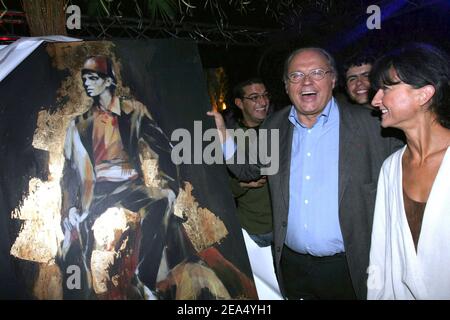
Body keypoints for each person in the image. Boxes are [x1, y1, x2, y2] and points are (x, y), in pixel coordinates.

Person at [209, 47, 403, 300]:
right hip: (292, 266)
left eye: (317, 73)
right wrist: (222, 133)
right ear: (287, 86)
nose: (307, 82)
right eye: (296, 75)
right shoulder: (274, 125)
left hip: (350, 268)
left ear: (333, 80)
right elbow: (247, 169)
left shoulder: (373, 126)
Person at [60, 55, 257, 300]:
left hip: (130, 186)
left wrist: (170, 187)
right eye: (85, 79)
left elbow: (164, 149)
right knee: (79, 237)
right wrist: (69, 208)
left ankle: (144, 279)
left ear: (108, 80)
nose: (87, 83)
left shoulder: (134, 111)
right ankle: (89, 290)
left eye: (93, 78)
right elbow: (68, 173)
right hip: (98, 192)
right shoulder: (78, 124)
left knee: (162, 200)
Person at [367, 43, 450, 299]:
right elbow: (381, 253)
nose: (375, 100)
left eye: (386, 88)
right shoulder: (391, 167)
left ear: (423, 94)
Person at [228, 77, 273, 247]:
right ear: (240, 103)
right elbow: (222, 189)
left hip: (289, 228)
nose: (263, 102)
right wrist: (243, 184)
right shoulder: (229, 141)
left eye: (265, 95)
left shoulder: (283, 128)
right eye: (254, 97)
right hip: (254, 232)